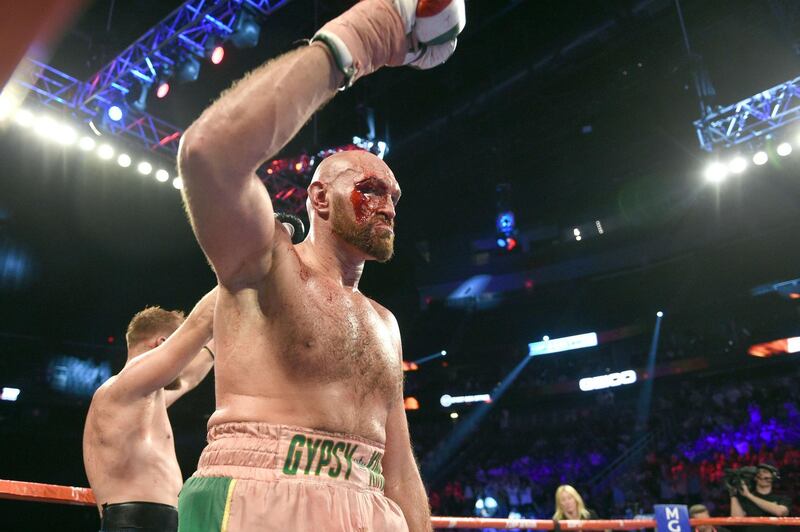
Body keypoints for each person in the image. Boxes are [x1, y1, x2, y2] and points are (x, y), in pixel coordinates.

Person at [175, 1, 465, 531]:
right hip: (258, 498)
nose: (388, 204)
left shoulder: (385, 323)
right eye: (370, 188)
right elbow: (207, 154)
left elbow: (396, 465)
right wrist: (358, 39)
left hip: (368, 503)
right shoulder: (265, 264)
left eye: (394, 195)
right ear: (320, 199)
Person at [83, 289, 216, 532]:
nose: (186, 359)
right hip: (133, 523)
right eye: (183, 351)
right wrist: (239, 280)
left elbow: (189, 379)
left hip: (159, 521)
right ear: (163, 345)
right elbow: (201, 322)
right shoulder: (121, 388)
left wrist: (224, 336)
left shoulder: (146, 399)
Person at [730, 465, 790, 532]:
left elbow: (780, 512)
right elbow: (737, 520)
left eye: (765, 472)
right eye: (759, 472)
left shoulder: (782, 498)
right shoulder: (745, 497)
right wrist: (733, 494)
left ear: (773, 477)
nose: (761, 474)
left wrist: (749, 496)